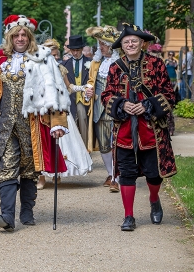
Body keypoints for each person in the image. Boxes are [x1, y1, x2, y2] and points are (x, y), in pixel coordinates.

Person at [0, 14, 70, 232]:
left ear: (30, 37)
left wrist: (58, 122)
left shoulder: (42, 59)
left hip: (33, 124)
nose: (21, 38)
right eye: (16, 35)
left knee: (30, 168)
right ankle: (7, 215)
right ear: (10, 37)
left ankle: (27, 211)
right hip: (4, 126)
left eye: (24, 34)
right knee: (6, 167)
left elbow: (56, 91)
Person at [101, 23, 177, 231]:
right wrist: (122, 104)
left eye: (134, 41)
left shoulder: (157, 64)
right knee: (126, 173)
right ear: (122, 46)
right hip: (125, 129)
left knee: (154, 174)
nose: (131, 44)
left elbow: (170, 95)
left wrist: (147, 105)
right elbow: (106, 95)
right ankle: (128, 216)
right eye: (127, 42)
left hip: (151, 129)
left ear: (143, 43)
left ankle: (154, 199)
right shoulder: (115, 68)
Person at [37, 38, 93, 190]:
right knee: (42, 144)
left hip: (60, 109)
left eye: (57, 55)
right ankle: (41, 177)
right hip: (43, 110)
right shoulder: (36, 68)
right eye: (53, 55)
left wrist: (83, 88)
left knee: (61, 143)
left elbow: (69, 88)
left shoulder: (61, 69)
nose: (56, 58)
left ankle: (58, 173)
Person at [85, 25, 121, 193]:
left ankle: (116, 177)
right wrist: (88, 91)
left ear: (111, 46)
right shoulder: (95, 64)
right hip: (98, 109)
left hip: (115, 108)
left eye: (103, 44)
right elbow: (90, 84)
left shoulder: (121, 64)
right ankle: (110, 173)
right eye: (99, 44)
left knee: (117, 144)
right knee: (104, 144)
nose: (100, 47)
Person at [61, 35, 91, 150]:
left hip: (85, 101)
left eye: (77, 50)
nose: (75, 53)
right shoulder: (63, 65)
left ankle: (85, 153)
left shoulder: (91, 63)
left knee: (84, 126)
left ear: (82, 49)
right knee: (71, 129)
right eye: (73, 50)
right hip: (70, 101)